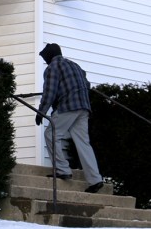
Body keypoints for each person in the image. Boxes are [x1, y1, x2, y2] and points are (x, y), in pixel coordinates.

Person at [35, 43, 105, 193]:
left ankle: (62, 170)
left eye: (45, 57)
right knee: (83, 142)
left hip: (68, 106)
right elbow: (86, 83)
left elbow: (50, 91)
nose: (45, 61)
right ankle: (95, 179)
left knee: (51, 134)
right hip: (84, 107)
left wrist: (41, 112)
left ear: (50, 56)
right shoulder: (75, 65)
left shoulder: (53, 67)